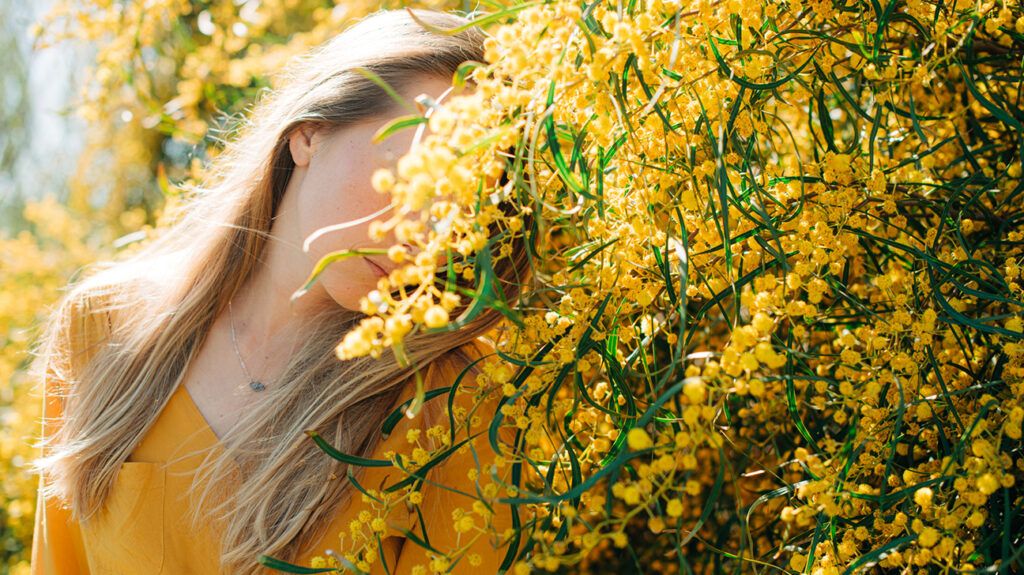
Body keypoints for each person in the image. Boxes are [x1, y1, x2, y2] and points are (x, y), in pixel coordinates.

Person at [28, 8, 528, 574]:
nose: (424, 238)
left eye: (458, 215)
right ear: (309, 134)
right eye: (416, 180)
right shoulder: (103, 326)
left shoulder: (450, 400)